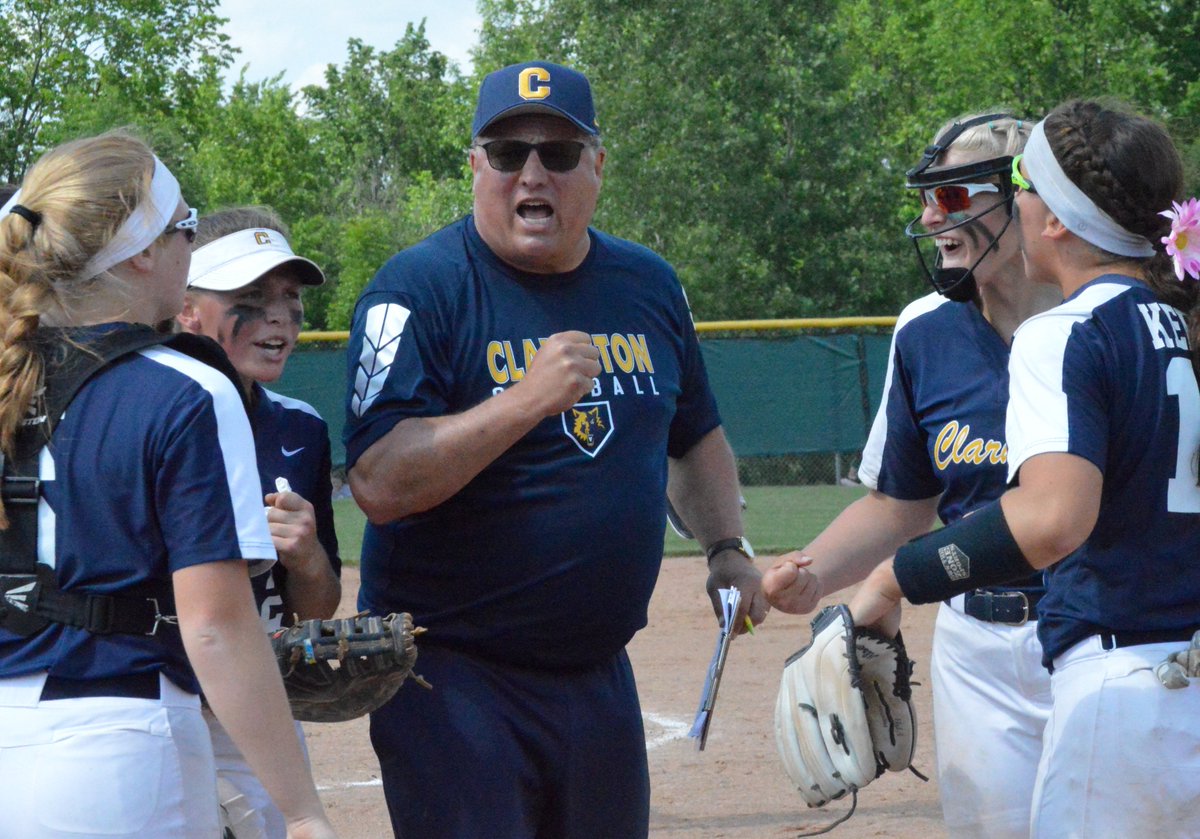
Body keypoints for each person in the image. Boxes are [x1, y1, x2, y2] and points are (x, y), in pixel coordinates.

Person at [342, 59, 768, 838]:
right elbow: (378, 479)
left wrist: (726, 545)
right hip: (451, 679)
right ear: (474, 166)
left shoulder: (648, 284)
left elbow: (696, 432)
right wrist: (524, 402)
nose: (532, 173)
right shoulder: (416, 290)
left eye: (560, 153)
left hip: (597, 678)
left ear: (597, 167)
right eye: (507, 154)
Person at [849, 98, 1200, 837]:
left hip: (1117, 687)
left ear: (1055, 219)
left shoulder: (1066, 331)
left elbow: (1050, 520)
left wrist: (893, 577)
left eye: (1025, 183)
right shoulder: (1175, 321)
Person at [0, 132, 335, 837]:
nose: (190, 245)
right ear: (144, 250)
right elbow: (215, 627)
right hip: (117, 747)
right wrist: (303, 810)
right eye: (185, 226)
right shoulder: (185, 388)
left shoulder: (10, 376)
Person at [763, 112, 1060, 837]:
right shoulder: (926, 330)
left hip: (1090, 629)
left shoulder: (1096, 319)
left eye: (953, 197)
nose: (931, 217)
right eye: (927, 200)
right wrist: (813, 570)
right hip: (977, 650)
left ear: (1024, 199)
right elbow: (901, 505)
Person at [178, 207, 342, 839]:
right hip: (165, 702)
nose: (279, 317)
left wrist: (307, 559)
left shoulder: (301, 427)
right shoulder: (144, 414)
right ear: (189, 307)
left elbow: (316, 610)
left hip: (259, 707)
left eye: (290, 298)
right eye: (251, 297)